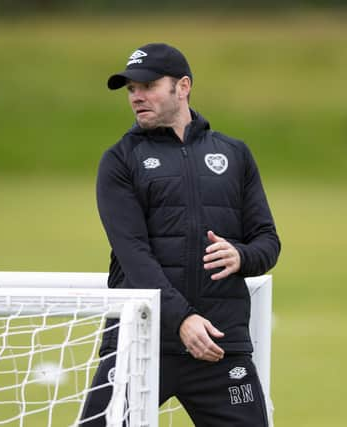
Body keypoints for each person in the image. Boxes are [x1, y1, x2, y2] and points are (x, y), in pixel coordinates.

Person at [81, 42, 281, 426]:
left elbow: (268, 242)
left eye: (148, 85)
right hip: (139, 342)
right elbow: (133, 254)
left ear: (183, 86)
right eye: (130, 89)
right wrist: (182, 319)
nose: (136, 96)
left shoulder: (234, 154)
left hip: (218, 345)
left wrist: (242, 256)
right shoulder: (120, 160)